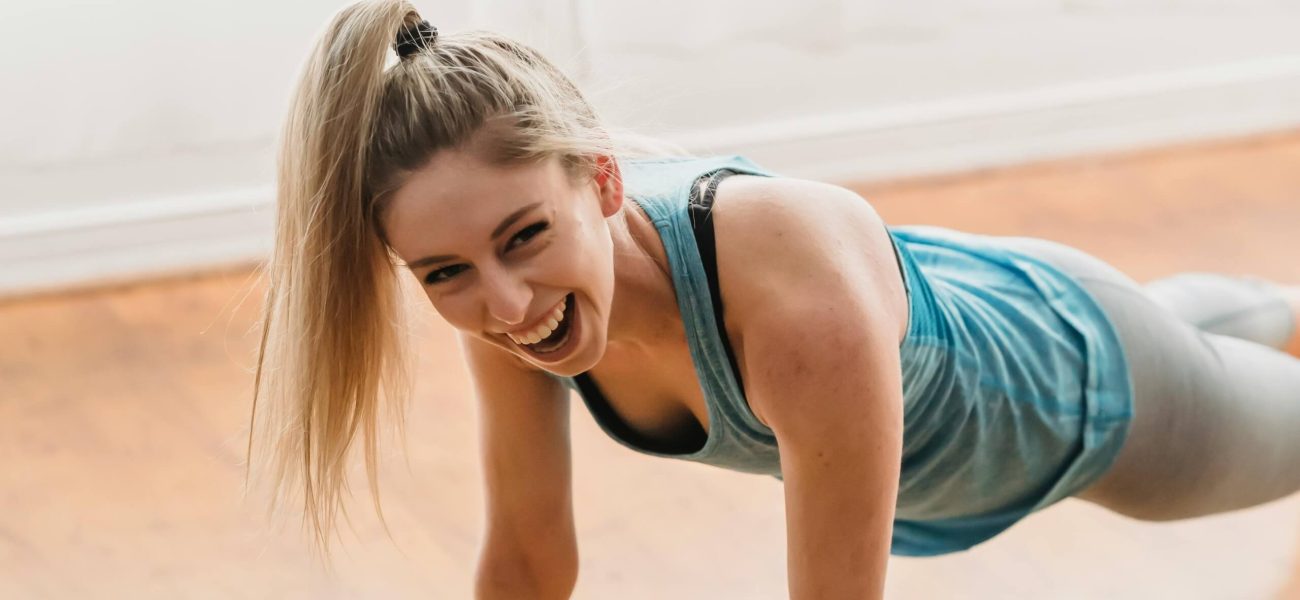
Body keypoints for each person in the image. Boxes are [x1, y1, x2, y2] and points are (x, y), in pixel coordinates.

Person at [245, 1, 1300, 597]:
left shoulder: (797, 316)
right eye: (445, 275)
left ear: (601, 180)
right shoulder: (515, 301)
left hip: (1086, 403)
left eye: (524, 238)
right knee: (1241, 321)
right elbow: (528, 557)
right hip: (1002, 298)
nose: (506, 303)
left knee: (1226, 383)